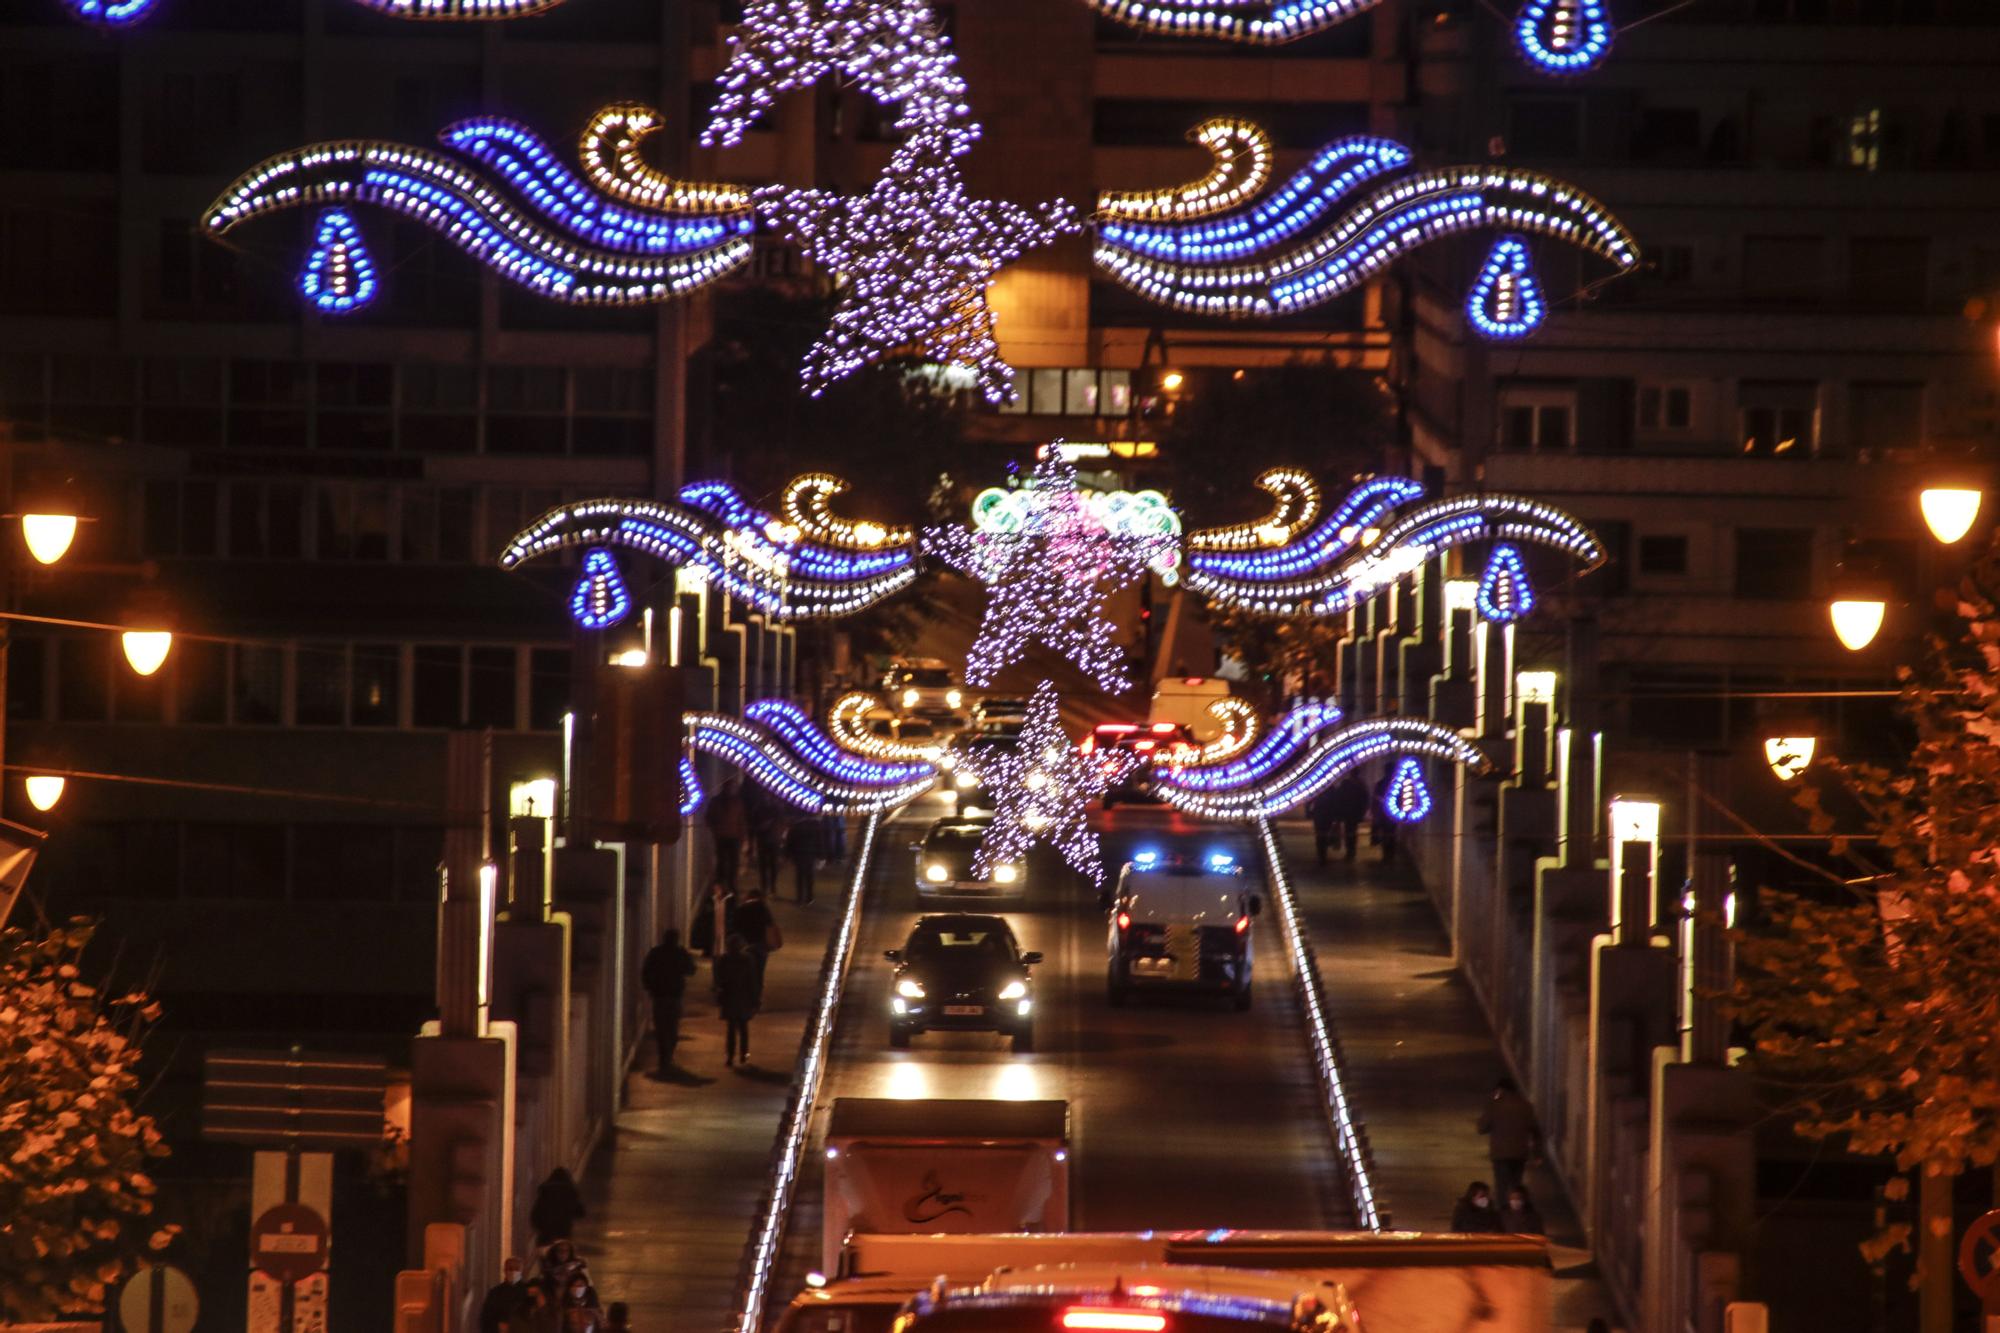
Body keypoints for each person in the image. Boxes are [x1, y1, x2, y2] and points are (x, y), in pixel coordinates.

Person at [640, 927, 696, 1075]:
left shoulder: (656, 953)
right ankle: (668, 1056)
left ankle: (664, 1057)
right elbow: (691, 970)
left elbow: (646, 972)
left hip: (659, 996)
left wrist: (649, 987)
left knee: (661, 1028)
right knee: (672, 1028)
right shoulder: (680, 953)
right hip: (674, 995)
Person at [1476, 1075, 1540, 1202]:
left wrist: (1492, 1102)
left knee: (1501, 1185)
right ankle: (1515, 1208)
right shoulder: (1526, 1106)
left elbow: (1481, 1128)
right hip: (1520, 1152)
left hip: (1500, 1154)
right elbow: (1534, 1129)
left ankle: (1503, 1212)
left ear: (1500, 1090)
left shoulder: (1494, 1106)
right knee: (1516, 1184)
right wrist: (1537, 1153)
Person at [714, 933, 760, 1066]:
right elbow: (752, 981)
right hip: (743, 998)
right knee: (743, 1028)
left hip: (729, 998)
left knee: (731, 1029)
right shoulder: (747, 960)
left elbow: (719, 980)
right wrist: (755, 999)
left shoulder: (724, 960)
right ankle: (743, 1054)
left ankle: (730, 1056)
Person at [731, 887, 779, 997]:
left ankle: (747, 994)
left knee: (746, 971)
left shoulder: (741, 909)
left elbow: (735, 926)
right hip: (761, 944)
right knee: (759, 972)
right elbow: (770, 925)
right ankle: (757, 996)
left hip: (745, 945)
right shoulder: (763, 909)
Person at [707, 778, 748, 891]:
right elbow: (709, 818)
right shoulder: (722, 802)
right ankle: (724, 884)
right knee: (723, 861)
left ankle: (729, 884)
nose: (731, 790)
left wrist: (742, 836)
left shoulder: (735, 802)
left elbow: (741, 821)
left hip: (730, 836)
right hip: (724, 836)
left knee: (731, 862)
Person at [529, 1170, 586, 1247]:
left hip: (545, 1236)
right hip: (563, 1235)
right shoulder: (570, 1193)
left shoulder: (545, 1193)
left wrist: (542, 1228)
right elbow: (580, 1213)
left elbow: (534, 1216)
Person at [480, 1257, 533, 1333]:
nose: (513, 1272)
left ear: (521, 1271)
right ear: (504, 1270)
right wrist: (497, 1326)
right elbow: (485, 1319)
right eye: (510, 1269)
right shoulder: (495, 1293)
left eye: (517, 1269)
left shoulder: (527, 1292)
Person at [1326, 773, 1370, 862]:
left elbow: (1339, 798)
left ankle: (1350, 852)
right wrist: (1363, 811)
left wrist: (1338, 813)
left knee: (1349, 832)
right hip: (1355, 813)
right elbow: (1365, 799)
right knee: (1352, 831)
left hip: (1347, 813)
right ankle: (1351, 851)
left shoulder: (1346, 784)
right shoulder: (1361, 785)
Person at [785, 813, 825, 904]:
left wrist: (787, 855)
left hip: (798, 854)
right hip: (810, 853)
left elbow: (790, 841)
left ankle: (799, 898)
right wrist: (821, 856)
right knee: (809, 876)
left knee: (799, 876)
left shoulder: (795, 825)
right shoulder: (815, 825)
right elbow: (819, 841)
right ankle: (809, 897)